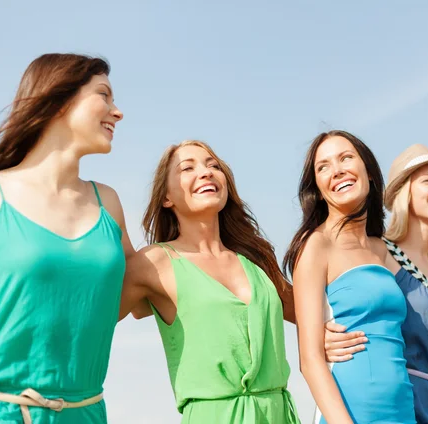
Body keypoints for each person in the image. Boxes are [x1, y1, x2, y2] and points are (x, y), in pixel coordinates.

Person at [0, 53, 133, 423]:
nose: (117, 112)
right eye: (104, 95)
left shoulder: (110, 204)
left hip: (86, 413)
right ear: (59, 101)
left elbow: (137, 290)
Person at [119, 140, 300, 423]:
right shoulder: (154, 262)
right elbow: (92, 323)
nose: (206, 172)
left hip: (277, 413)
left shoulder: (256, 257)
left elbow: (310, 314)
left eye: (213, 166)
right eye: (187, 168)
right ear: (166, 197)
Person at [324, 144, 428, 424]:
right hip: (401, 402)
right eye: (427, 181)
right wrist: (322, 332)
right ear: (404, 193)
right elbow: (335, 297)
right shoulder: (381, 252)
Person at [284, 130, 415, 424]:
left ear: (368, 172)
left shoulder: (383, 249)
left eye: (346, 158)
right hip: (349, 413)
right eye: (324, 167)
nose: (337, 170)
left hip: (403, 411)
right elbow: (311, 361)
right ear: (317, 189)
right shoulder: (316, 245)